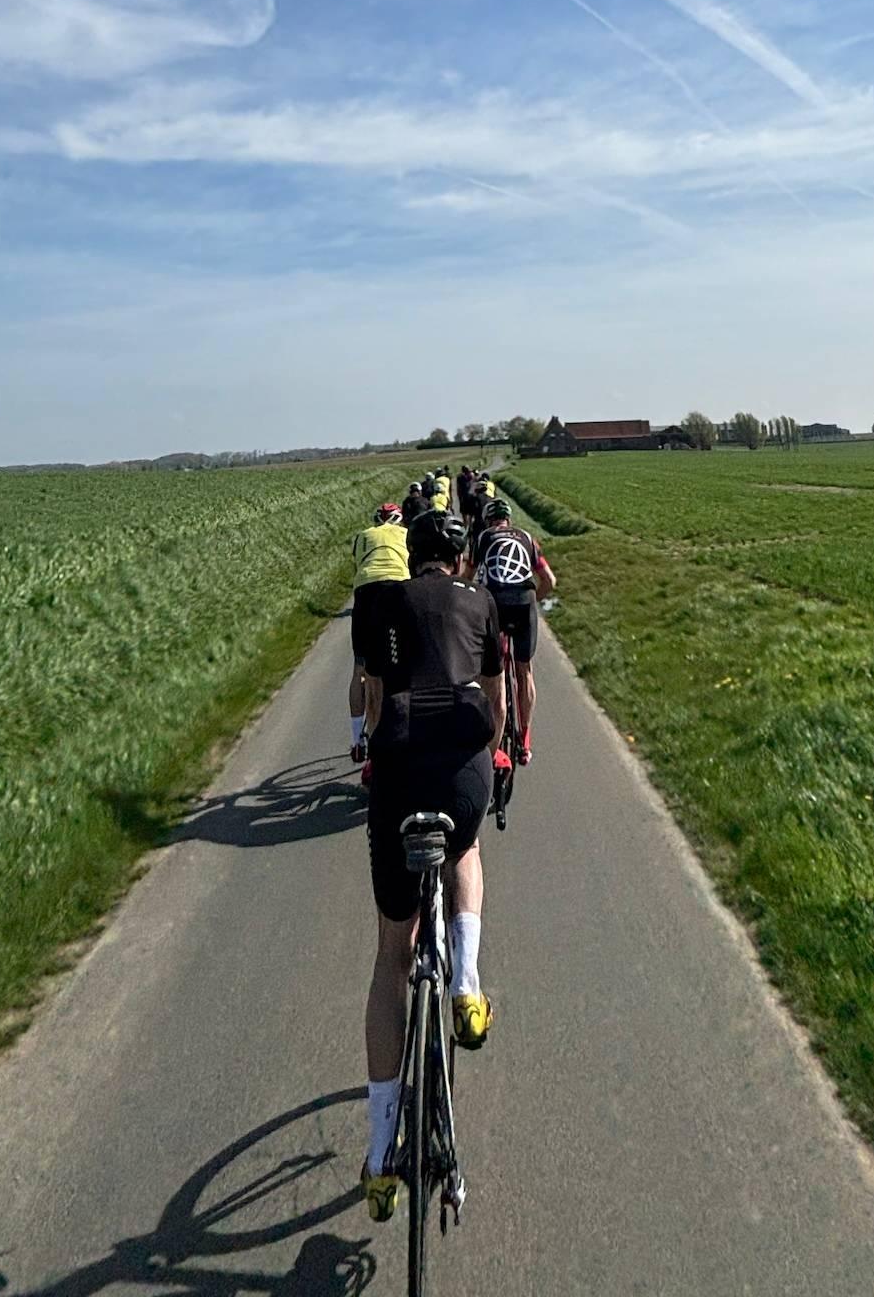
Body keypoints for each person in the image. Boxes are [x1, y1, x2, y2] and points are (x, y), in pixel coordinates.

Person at [360, 506, 508, 1222]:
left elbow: (374, 704)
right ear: (459, 561)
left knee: (393, 952)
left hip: (397, 774)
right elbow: (496, 708)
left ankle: (379, 1159)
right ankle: (467, 988)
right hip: (461, 774)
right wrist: (491, 762)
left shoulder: (382, 604)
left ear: (409, 554)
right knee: (466, 850)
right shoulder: (480, 602)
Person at [473, 497, 555, 767]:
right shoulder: (528, 539)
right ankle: (525, 739)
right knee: (524, 670)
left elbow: (468, 576)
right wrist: (533, 602)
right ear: (509, 519)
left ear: (488, 520)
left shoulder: (484, 537)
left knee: (490, 672)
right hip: (523, 603)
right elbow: (549, 580)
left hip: (494, 603)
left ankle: (487, 730)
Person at [347, 501, 410, 770]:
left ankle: (360, 744)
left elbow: (358, 566)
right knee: (405, 664)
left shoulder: (362, 536)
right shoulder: (406, 534)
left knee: (362, 671)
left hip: (366, 596)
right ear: (399, 520)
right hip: (398, 591)